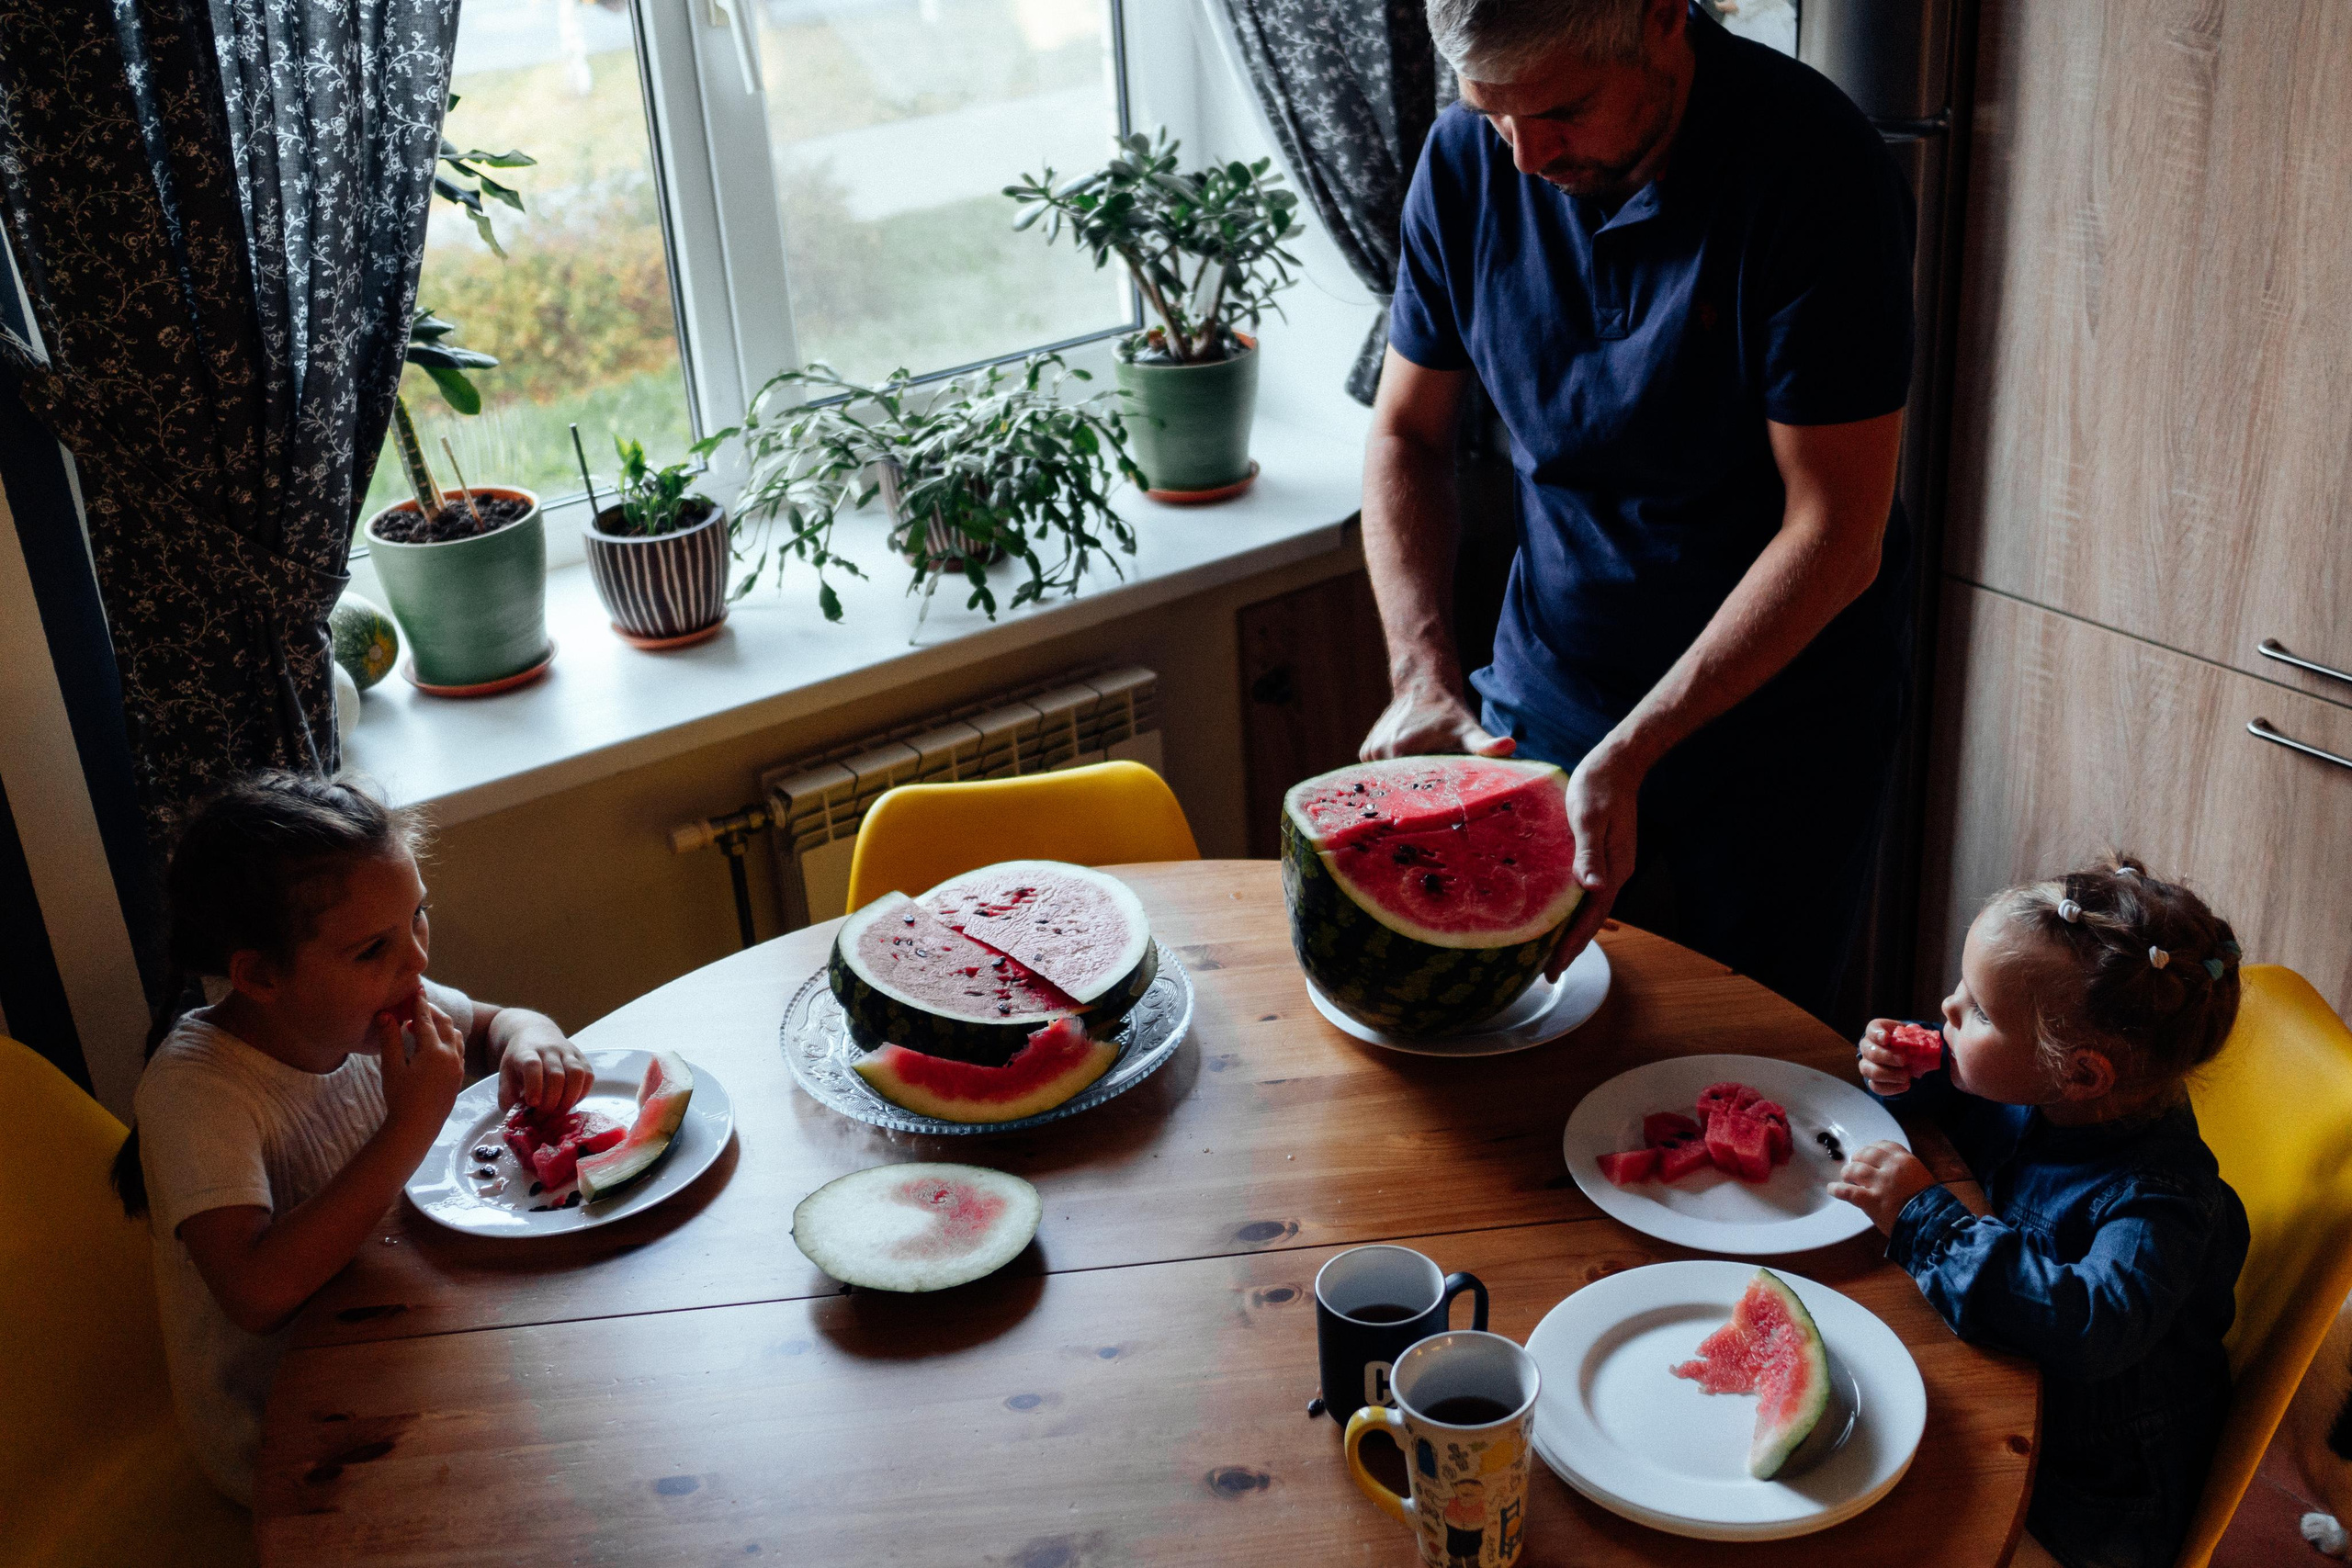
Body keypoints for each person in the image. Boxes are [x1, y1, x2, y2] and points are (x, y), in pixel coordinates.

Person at [1363, 0, 1916, 1020]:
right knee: (1507, 1026)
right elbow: (1405, 434)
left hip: (1778, 724)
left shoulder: (1815, 168)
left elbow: (1836, 531)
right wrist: (1421, 675)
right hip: (1551, 683)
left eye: (1563, 110)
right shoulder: (1465, 162)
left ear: (1663, 17)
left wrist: (1635, 745)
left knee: (1745, 1052)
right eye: (1492, 113)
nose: (1524, 157)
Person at [109, 772, 594, 1506]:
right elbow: (256, 1292)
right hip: (283, 1439)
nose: (417, 961)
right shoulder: (196, 1088)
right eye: (373, 949)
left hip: (396, 1343)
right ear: (260, 975)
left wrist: (535, 1040)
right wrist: (410, 1125)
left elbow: (499, 1023)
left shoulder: (367, 1012)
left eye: (417, 917)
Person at [1831, 857, 2249, 1568]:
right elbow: (1979, 1091)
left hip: (2085, 1504)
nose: (1946, 1010)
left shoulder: (2161, 1203)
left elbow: (2088, 1325)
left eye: (1979, 1012)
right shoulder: (2048, 1088)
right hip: (2006, 1391)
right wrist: (1910, 1075)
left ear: (2080, 1072)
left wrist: (1926, 1220)